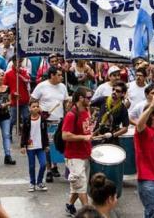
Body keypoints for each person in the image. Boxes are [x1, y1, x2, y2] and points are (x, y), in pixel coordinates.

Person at [31, 66, 67, 179]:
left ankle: (55, 166)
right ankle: (49, 170)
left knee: (56, 144)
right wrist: (40, 111)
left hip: (59, 120)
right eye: (59, 75)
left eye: (62, 75)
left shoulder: (62, 87)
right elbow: (32, 101)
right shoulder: (42, 86)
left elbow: (65, 102)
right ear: (52, 75)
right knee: (47, 145)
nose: (61, 77)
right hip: (46, 121)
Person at [62, 87, 93, 216]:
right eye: (88, 98)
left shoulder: (86, 110)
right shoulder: (71, 115)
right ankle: (88, 212)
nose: (90, 100)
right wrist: (83, 137)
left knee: (78, 184)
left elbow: (87, 130)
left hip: (85, 154)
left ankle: (70, 205)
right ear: (81, 98)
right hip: (74, 157)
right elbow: (65, 135)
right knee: (81, 185)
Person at [134, 92, 154, 218]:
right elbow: (139, 124)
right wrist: (152, 105)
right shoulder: (144, 131)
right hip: (147, 180)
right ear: (153, 116)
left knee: (153, 214)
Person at [20, 99, 50, 192]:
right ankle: (32, 183)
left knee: (43, 164)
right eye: (33, 106)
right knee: (32, 165)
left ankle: (39, 181)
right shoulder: (27, 120)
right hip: (30, 147)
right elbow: (24, 133)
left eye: (37, 106)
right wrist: (23, 146)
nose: (36, 108)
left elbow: (45, 133)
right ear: (29, 108)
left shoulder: (43, 119)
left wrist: (46, 145)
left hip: (40, 146)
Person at [3, 56, 31, 138]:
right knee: (12, 120)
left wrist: (20, 75)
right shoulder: (8, 74)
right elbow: (5, 88)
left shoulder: (24, 71)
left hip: (24, 99)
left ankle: (26, 135)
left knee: (26, 118)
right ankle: (9, 135)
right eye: (17, 61)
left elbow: (27, 80)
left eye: (20, 61)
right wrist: (12, 93)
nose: (19, 63)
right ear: (13, 62)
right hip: (14, 101)